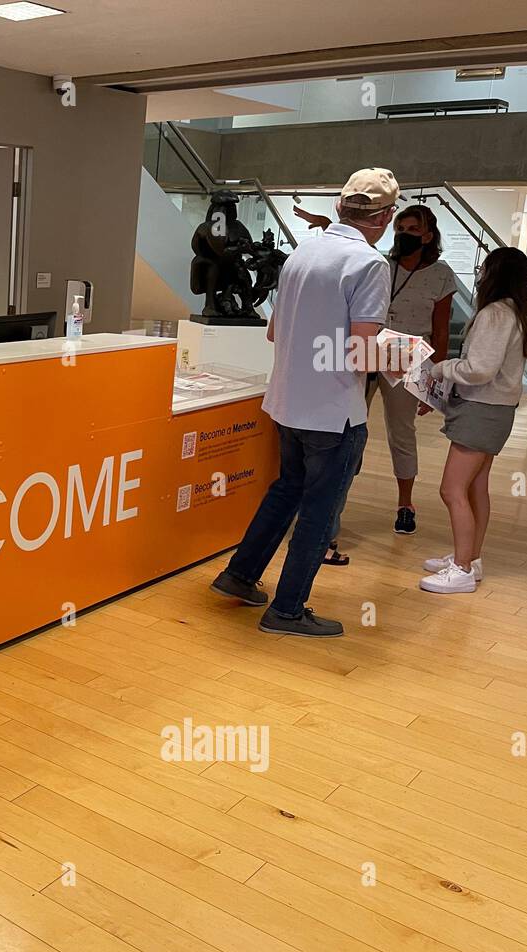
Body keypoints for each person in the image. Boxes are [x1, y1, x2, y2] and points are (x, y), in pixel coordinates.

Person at [210, 168, 398, 638]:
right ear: (386, 216)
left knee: (287, 489)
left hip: (288, 401)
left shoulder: (301, 254)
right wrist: (398, 357)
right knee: (319, 508)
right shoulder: (370, 264)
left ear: (339, 207)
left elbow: (275, 331)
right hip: (335, 410)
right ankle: (287, 609)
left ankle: (240, 573)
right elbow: (360, 351)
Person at [293, 204, 457, 552]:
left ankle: (405, 503)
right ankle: (331, 513)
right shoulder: (380, 262)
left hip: (408, 357)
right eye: (400, 227)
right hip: (369, 347)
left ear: (428, 235)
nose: (404, 234)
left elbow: (441, 332)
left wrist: (433, 384)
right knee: (348, 427)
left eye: (413, 229)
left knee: (401, 430)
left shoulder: (441, 274)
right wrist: (326, 225)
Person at [419, 247, 527, 594]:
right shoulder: (516, 313)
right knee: (475, 487)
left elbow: (479, 369)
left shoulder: (495, 314)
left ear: (493, 274)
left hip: (480, 411)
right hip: (497, 411)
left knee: (451, 489)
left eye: (484, 268)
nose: (479, 274)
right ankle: (469, 556)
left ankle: (462, 568)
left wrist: (441, 368)